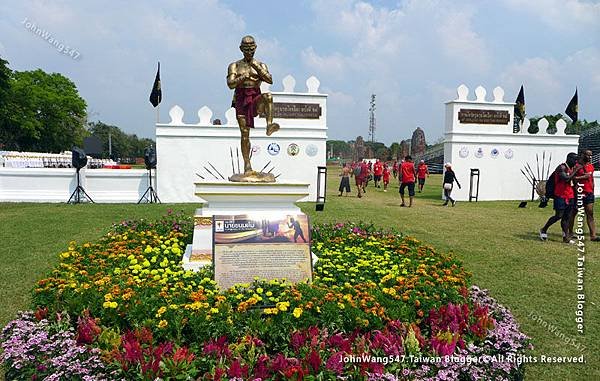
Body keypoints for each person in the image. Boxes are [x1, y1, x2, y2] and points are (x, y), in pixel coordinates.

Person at [227, 35, 280, 175]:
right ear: (241, 49)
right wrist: (243, 76)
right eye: (246, 49)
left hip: (255, 97)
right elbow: (230, 84)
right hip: (241, 99)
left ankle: (269, 124)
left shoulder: (260, 65)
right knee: (245, 134)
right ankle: (247, 164)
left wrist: (255, 66)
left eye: (251, 49)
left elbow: (270, 80)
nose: (249, 51)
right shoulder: (235, 65)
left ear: (255, 48)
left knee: (268, 96)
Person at [539, 153, 581, 243]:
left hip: (570, 196)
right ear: (569, 159)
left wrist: (577, 200)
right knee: (559, 215)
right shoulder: (561, 168)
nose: (576, 162)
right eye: (575, 160)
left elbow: (574, 184)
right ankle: (544, 229)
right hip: (560, 195)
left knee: (567, 217)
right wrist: (575, 171)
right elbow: (566, 179)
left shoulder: (573, 168)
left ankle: (565, 237)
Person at [572, 150, 598, 241]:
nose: (590, 157)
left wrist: (592, 189)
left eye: (591, 155)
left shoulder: (590, 166)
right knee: (573, 213)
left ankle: (593, 235)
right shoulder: (576, 166)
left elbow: (590, 178)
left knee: (590, 214)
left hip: (589, 193)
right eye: (588, 155)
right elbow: (572, 178)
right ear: (583, 155)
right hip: (579, 193)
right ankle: (570, 233)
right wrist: (582, 177)